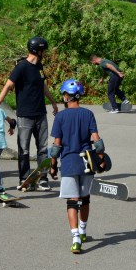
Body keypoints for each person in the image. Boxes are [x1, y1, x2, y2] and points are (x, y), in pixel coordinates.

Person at [0, 36, 60, 190]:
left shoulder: (39, 66)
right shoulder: (21, 67)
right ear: (36, 50)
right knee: (24, 149)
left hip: (40, 113)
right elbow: (8, 85)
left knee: (43, 148)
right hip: (25, 115)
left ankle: (42, 179)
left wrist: (52, 101)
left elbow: (42, 85)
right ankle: (24, 178)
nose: (44, 52)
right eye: (43, 50)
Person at [48, 79, 104, 254]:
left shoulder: (60, 117)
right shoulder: (88, 114)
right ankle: (83, 230)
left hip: (69, 163)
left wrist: (52, 165)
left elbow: (56, 146)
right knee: (85, 198)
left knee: (72, 201)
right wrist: (100, 159)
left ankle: (75, 239)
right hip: (86, 162)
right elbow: (98, 142)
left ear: (66, 96)